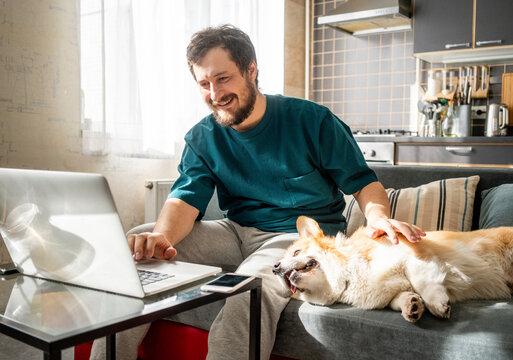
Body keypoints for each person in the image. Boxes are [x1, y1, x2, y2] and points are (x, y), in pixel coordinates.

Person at [91, 24, 424, 360]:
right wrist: (162, 237)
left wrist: (379, 218)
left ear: (251, 69)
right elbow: (184, 199)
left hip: (296, 239)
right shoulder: (202, 138)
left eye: (223, 78)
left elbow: (364, 183)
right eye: (204, 84)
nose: (214, 93)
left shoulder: (313, 121)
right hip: (235, 231)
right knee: (139, 246)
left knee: (244, 292)